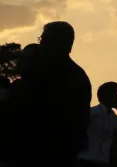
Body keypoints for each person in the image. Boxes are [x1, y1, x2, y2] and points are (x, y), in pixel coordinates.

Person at [16, 21, 91, 167]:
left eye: (43, 39)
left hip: (41, 151)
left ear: (55, 43)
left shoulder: (45, 72)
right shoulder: (79, 75)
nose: (41, 44)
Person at [78, 82, 117, 167]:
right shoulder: (92, 113)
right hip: (85, 160)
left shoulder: (113, 117)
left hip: (102, 162)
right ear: (108, 96)